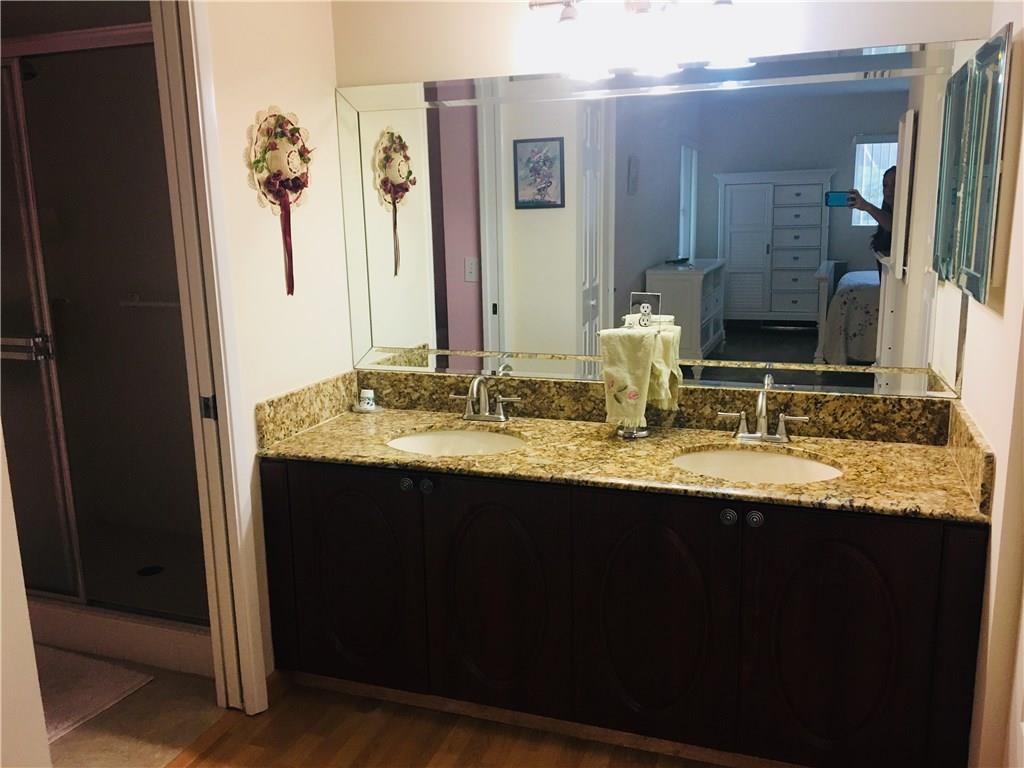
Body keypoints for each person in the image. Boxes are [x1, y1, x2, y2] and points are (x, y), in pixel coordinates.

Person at [848, 165, 896, 264]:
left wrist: (866, 206)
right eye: (885, 185)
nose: (889, 190)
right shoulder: (885, 218)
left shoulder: (905, 219)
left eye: (895, 184)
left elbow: (894, 225)